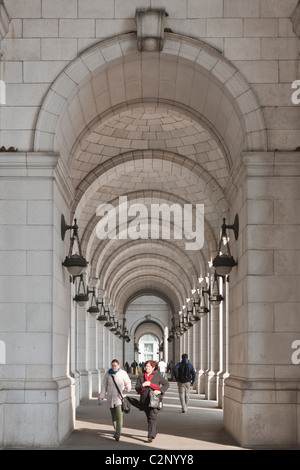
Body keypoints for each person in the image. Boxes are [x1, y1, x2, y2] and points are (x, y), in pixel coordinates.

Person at [135, 359, 169, 443]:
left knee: (152, 417)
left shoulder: (157, 375)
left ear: (153, 368)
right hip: (144, 400)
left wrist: (160, 391)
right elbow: (137, 388)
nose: (147, 368)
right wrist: (143, 385)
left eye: (149, 366)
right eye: (146, 366)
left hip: (154, 400)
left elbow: (166, 384)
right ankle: (154, 430)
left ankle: (150, 436)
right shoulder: (141, 376)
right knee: (149, 418)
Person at [98, 359, 131, 441]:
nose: (114, 367)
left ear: (118, 365)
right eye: (112, 365)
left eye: (115, 365)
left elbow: (128, 382)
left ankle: (118, 433)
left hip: (119, 398)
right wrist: (101, 396)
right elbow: (104, 385)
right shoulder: (108, 373)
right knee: (113, 417)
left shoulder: (123, 373)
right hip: (110, 397)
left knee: (119, 416)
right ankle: (116, 429)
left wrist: (127, 387)